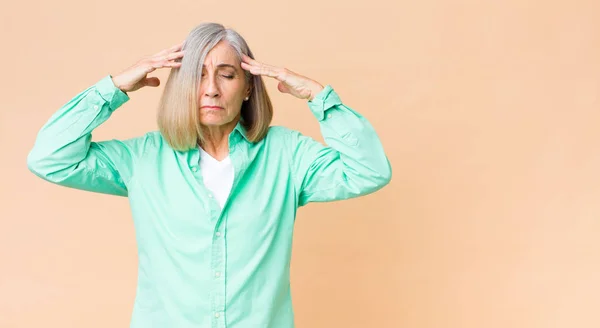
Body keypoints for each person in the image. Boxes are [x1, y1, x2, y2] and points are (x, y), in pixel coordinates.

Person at [27, 22, 392, 328]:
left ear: (248, 87)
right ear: (182, 84)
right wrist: (114, 87)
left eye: (227, 74)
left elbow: (369, 170)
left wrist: (317, 95)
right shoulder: (143, 158)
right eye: (197, 75)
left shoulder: (286, 155)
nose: (211, 88)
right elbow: (50, 157)